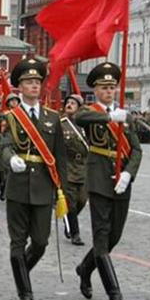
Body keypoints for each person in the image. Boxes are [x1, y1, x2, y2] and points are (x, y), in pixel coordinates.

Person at [74, 62, 143, 300]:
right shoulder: (92, 112)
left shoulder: (124, 116)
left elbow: (136, 149)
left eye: (112, 87)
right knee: (102, 238)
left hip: (121, 181)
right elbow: (79, 117)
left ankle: (85, 268)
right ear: (95, 90)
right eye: (104, 88)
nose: (108, 92)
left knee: (113, 238)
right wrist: (108, 116)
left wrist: (128, 173)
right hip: (100, 179)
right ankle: (114, 293)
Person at [0, 58, 66, 300]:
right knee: (18, 241)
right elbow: (4, 145)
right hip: (18, 186)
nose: (34, 86)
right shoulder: (11, 117)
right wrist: (11, 159)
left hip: (43, 188)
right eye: (29, 82)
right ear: (20, 87)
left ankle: (21, 272)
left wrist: (63, 192)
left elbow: (60, 156)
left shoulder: (53, 118)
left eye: (37, 82)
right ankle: (25, 294)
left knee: (40, 241)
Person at [60, 93, 88, 246]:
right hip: (68, 167)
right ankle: (75, 233)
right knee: (70, 203)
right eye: (68, 102)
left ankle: (69, 222)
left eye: (73, 103)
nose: (69, 105)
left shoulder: (85, 124)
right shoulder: (60, 124)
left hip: (84, 167)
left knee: (82, 201)